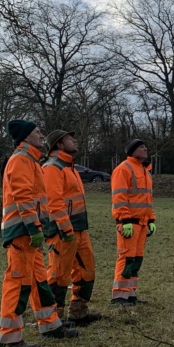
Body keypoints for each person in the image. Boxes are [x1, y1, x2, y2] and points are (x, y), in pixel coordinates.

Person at [0, 119, 79, 347]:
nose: (42, 136)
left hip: (29, 232)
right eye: (37, 132)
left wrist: (37, 228)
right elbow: (23, 197)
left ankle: (50, 325)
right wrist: (33, 228)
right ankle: (9, 339)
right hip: (22, 232)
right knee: (19, 282)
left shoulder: (31, 161)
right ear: (25, 137)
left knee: (38, 281)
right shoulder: (21, 160)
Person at [42, 130, 101, 326]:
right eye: (69, 138)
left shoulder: (70, 168)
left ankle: (78, 312)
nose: (74, 140)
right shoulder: (52, 168)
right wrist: (66, 230)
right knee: (58, 274)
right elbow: (54, 203)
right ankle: (54, 319)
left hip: (79, 230)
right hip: (62, 232)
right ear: (59, 144)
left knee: (87, 271)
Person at [110, 139, 156, 306]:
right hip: (130, 223)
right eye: (141, 147)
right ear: (133, 150)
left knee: (136, 259)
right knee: (126, 258)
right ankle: (119, 296)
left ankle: (130, 294)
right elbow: (119, 197)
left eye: (145, 146)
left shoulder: (145, 171)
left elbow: (147, 199)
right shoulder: (124, 169)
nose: (145, 149)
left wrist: (151, 218)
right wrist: (124, 220)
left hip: (142, 223)